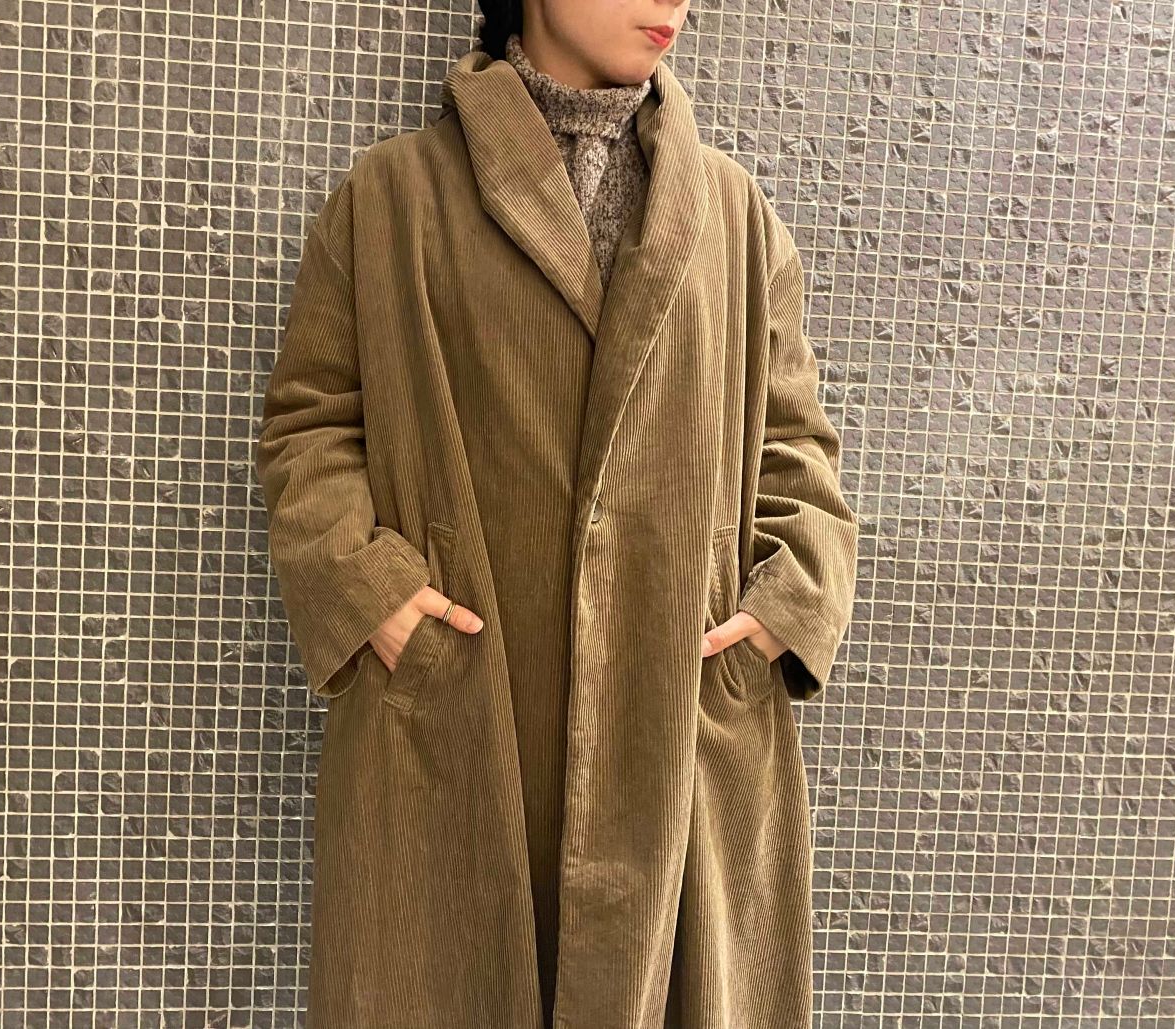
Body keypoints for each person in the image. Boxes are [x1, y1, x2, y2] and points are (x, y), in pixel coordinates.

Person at [253, 1, 860, 1026]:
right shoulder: (393, 198)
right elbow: (309, 424)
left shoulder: (736, 216)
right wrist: (372, 593)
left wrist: (780, 611)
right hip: (462, 719)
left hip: (679, 725)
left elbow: (798, 450)